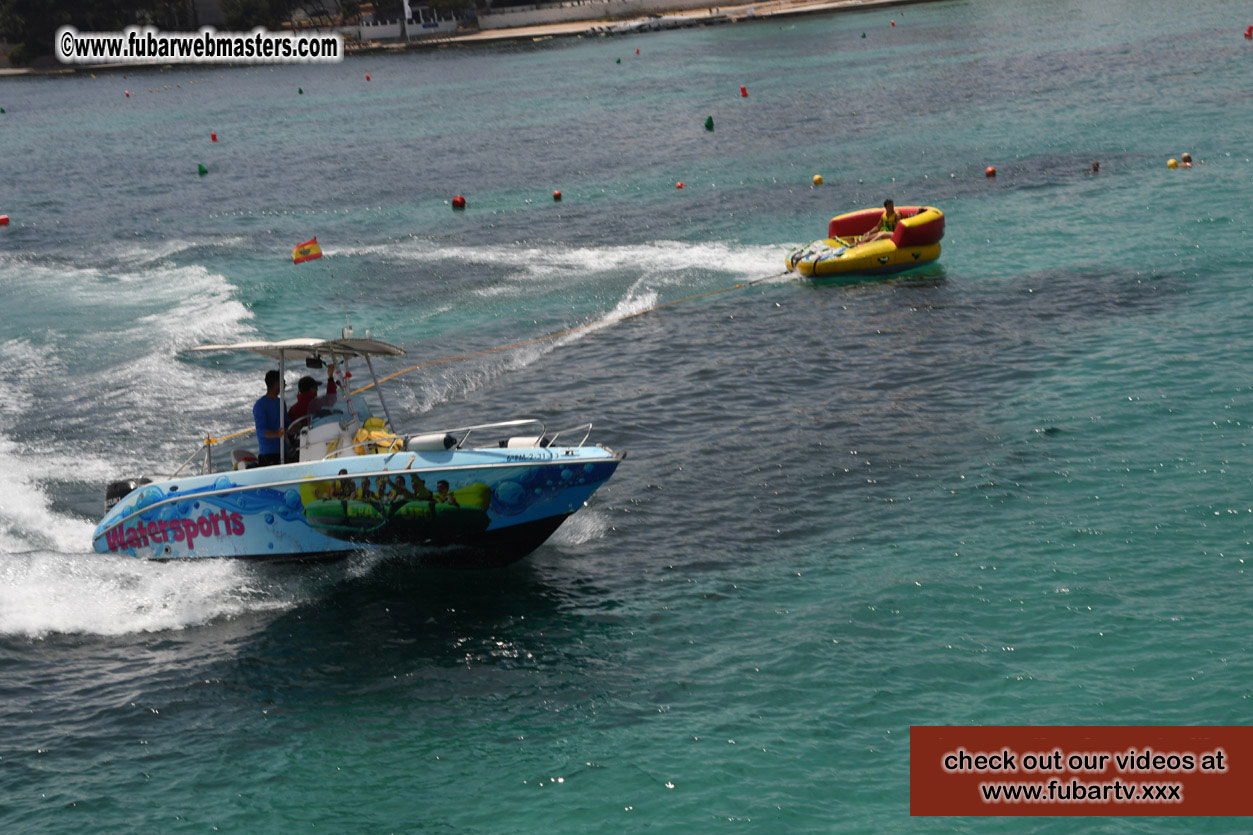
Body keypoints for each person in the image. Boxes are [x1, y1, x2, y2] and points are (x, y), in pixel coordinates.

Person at [286, 363, 338, 436]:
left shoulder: (293, 410)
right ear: (312, 389)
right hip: (320, 436)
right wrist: (330, 376)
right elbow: (331, 399)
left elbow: (288, 428)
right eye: (316, 388)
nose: (317, 391)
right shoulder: (317, 404)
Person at [252, 369, 284, 466]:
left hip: (283, 449)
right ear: (277, 383)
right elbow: (261, 431)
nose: (285, 384)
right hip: (269, 453)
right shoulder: (260, 405)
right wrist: (277, 434)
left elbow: (287, 423)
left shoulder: (281, 402)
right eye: (283, 381)